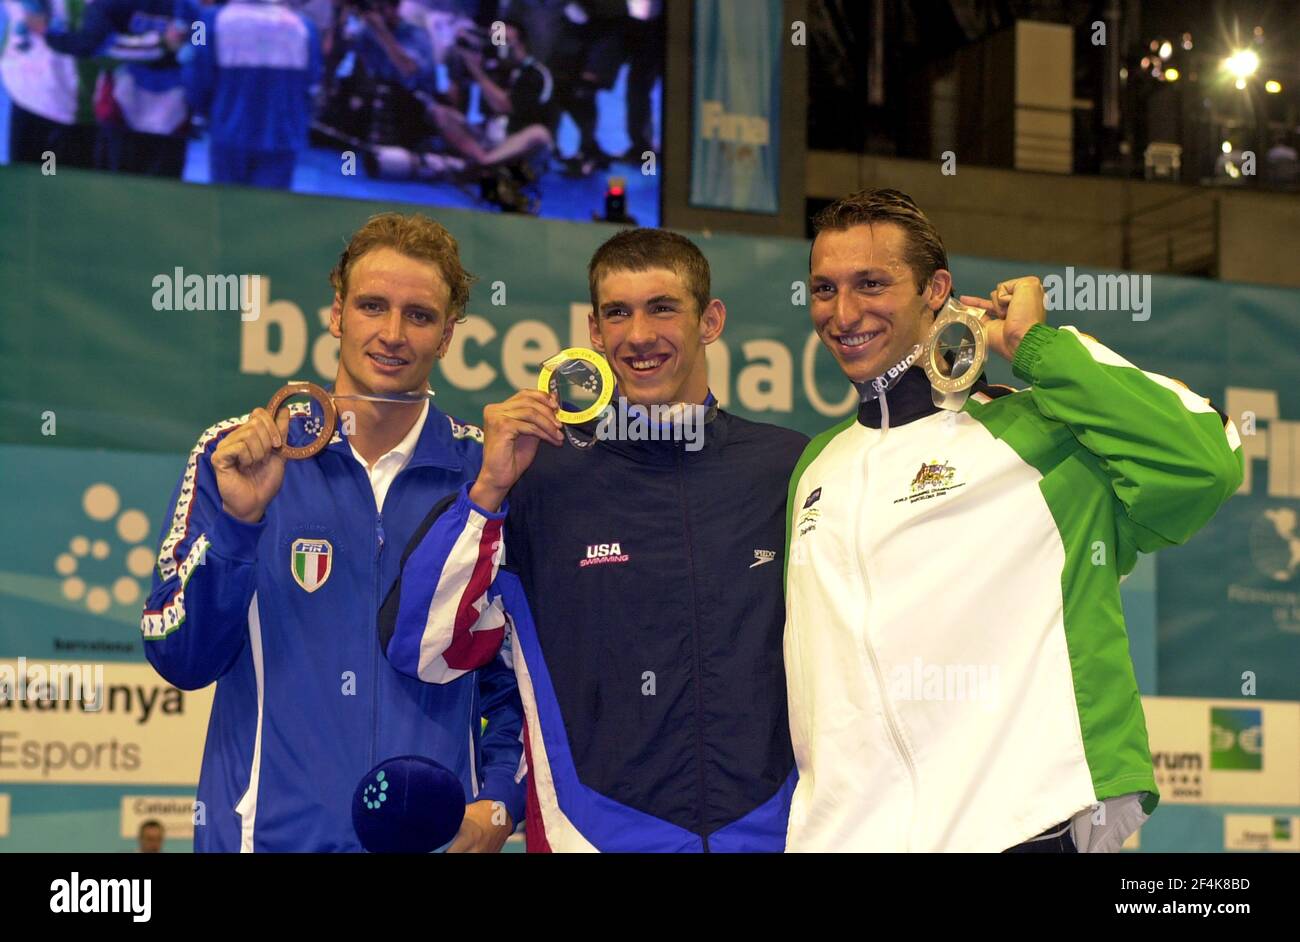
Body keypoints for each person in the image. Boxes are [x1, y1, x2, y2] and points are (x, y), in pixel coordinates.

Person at [783, 188, 1244, 852]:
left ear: (935, 289)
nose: (843, 312)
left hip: (1016, 830)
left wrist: (1033, 346)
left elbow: (1206, 458)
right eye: (824, 289)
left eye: (872, 284)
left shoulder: (1042, 434)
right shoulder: (817, 466)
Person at [379, 228, 808, 851]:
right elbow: (423, 647)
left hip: (777, 832)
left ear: (710, 320)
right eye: (618, 313)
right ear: (594, 332)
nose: (639, 335)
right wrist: (489, 490)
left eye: (663, 308)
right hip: (593, 835)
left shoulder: (785, 467)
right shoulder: (540, 476)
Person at [141, 212, 524, 852]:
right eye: (372, 306)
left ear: (449, 333)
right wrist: (239, 525)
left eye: (420, 315)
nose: (392, 334)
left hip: (430, 842)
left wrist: (497, 807)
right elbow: (182, 660)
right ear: (337, 312)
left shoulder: (487, 476)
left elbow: (514, 681)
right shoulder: (236, 457)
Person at [182, 0, 321, 188]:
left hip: (229, 131)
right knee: (269, 210)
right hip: (282, 134)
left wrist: (205, 114)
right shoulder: (304, 27)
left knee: (227, 206)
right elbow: (312, 83)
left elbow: (198, 79)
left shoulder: (213, 20)